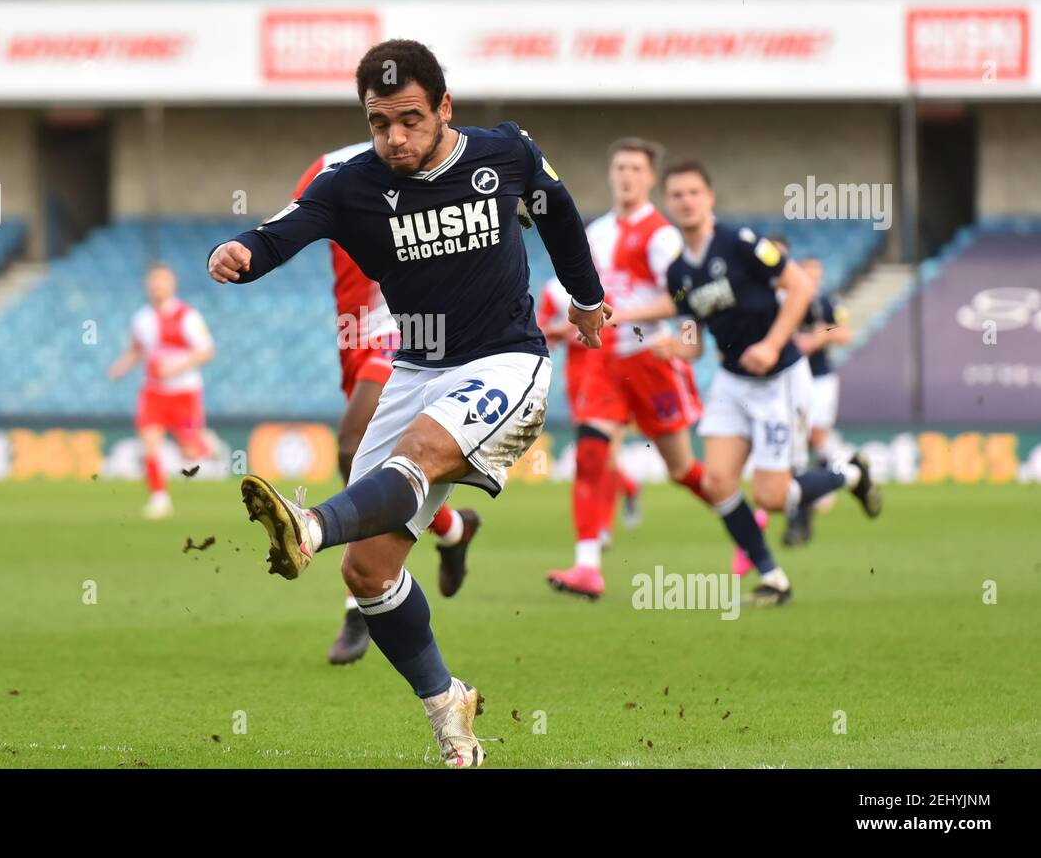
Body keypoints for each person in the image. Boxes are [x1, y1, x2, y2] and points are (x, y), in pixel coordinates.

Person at [208, 39, 607, 766]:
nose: (395, 136)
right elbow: (281, 232)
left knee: (418, 456)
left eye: (411, 119)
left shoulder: (507, 153)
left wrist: (587, 298)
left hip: (506, 362)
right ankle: (447, 706)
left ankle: (309, 525)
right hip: (417, 369)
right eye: (379, 121)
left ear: (444, 108)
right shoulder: (349, 184)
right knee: (368, 575)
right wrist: (237, 253)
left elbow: (559, 213)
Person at [623, 160, 881, 605]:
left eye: (693, 193)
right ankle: (773, 578)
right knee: (718, 483)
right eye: (677, 195)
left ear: (710, 199)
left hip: (779, 378)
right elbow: (694, 340)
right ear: (668, 203)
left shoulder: (740, 244)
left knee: (773, 497)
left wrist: (772, 343)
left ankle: (850, 473)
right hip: (731, 381)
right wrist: (670, 347)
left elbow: (799, 287)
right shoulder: (679, 274)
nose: (686, 201)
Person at [290, 145, 481, 666]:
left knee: (354, 447)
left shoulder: (446, 159)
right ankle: (454, 529)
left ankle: (358, 603)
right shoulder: (329, 167)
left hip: (410, 327)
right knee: (374, 459)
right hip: (355, 334)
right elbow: (292, 227)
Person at [545, 138, 709, 600]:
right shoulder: (595, 232)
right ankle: (587, 566)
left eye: (636, 168)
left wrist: (623, 315)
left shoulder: (662, 235)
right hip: (604, 361)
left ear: (650, 178)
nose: (626, 175)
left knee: (681, 469)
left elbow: (681, 297)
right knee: (592, 451)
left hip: (650, 359)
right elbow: (576, 294)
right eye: (619, 167)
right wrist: (563, 324)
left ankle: (738, 512)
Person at [108, 264, 215, 519]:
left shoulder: (189, 317)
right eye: (154, 281)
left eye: (162, 281)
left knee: (189, 449)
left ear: (172, 285)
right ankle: (159, 497)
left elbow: (206, 351)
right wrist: (121, 367)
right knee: (149, 444)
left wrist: (177, 367)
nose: (157, 287)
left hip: (184, 393)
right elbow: (137, 349)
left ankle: (206, 446)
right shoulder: (141, 319)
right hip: (153, 392)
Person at [783, 252, 852, 545]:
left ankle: (838, 475)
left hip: (820, 379)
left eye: (816, 274)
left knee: (815, 435)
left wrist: (820, 337)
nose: (813, 279)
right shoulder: (787, 301)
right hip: (791, 379)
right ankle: (808, 496)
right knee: (797, 439)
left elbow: (844, 332)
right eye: (807, 273)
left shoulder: (827, 304)